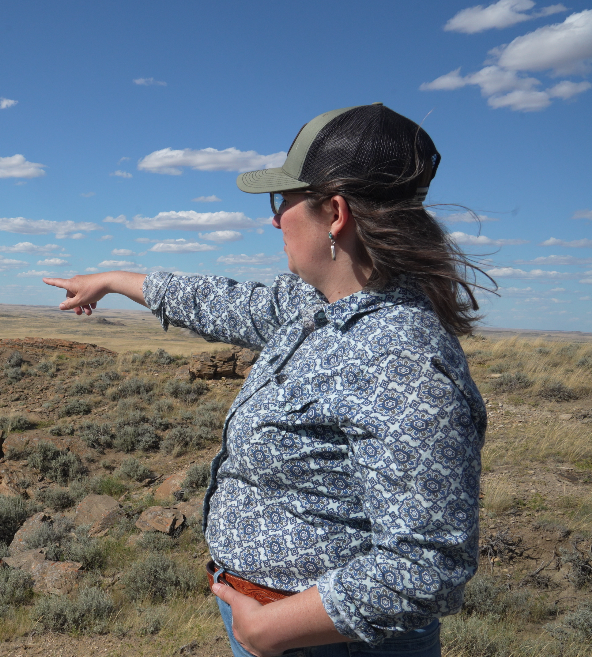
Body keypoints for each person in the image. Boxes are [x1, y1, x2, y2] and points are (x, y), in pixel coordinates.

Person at [44, 104, 489, 657]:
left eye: (283, 201)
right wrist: (111, 279)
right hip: (279, 627)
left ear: (335, 212)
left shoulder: (399, 357)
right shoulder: (317, 306)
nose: (275, 220)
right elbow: (218, 301)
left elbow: (429, 564)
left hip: (327, 642)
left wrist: (271, 630)